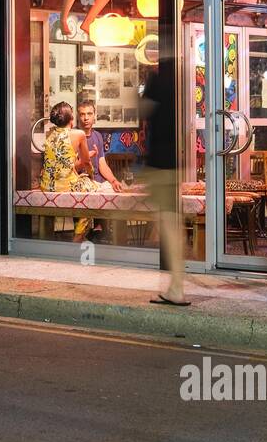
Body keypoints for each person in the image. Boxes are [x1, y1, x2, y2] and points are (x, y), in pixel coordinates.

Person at [135, 67, 187, 306]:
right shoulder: (180, 77)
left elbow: (143, 110)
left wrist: (136, 95)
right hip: (175, 160)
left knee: (168, 225)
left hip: (160, 161)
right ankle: (176, 283)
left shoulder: (158, 77)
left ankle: (176, 286)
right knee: (172, 223)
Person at [39, 101, 99, 242]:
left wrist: (87, 157)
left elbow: (65, 164)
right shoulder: (79, 134)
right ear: (71, 119)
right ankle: (78, 236)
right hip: (65, 187)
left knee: (81, 183)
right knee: (92, 191)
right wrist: (91, 175)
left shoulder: (50, 135)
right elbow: (86, 163)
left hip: (46, 186)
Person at [76, 100, 126, 191]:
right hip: (81, 182)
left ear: (94, 116)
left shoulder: (98, 136)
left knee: (119, 191)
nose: (86, 118)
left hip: (99, 182)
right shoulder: (73, 136)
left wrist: (113, 180)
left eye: (89, 114)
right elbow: (70, 168)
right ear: (78, 117)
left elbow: (102, 163)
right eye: (82, 114)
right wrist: (85, 160)